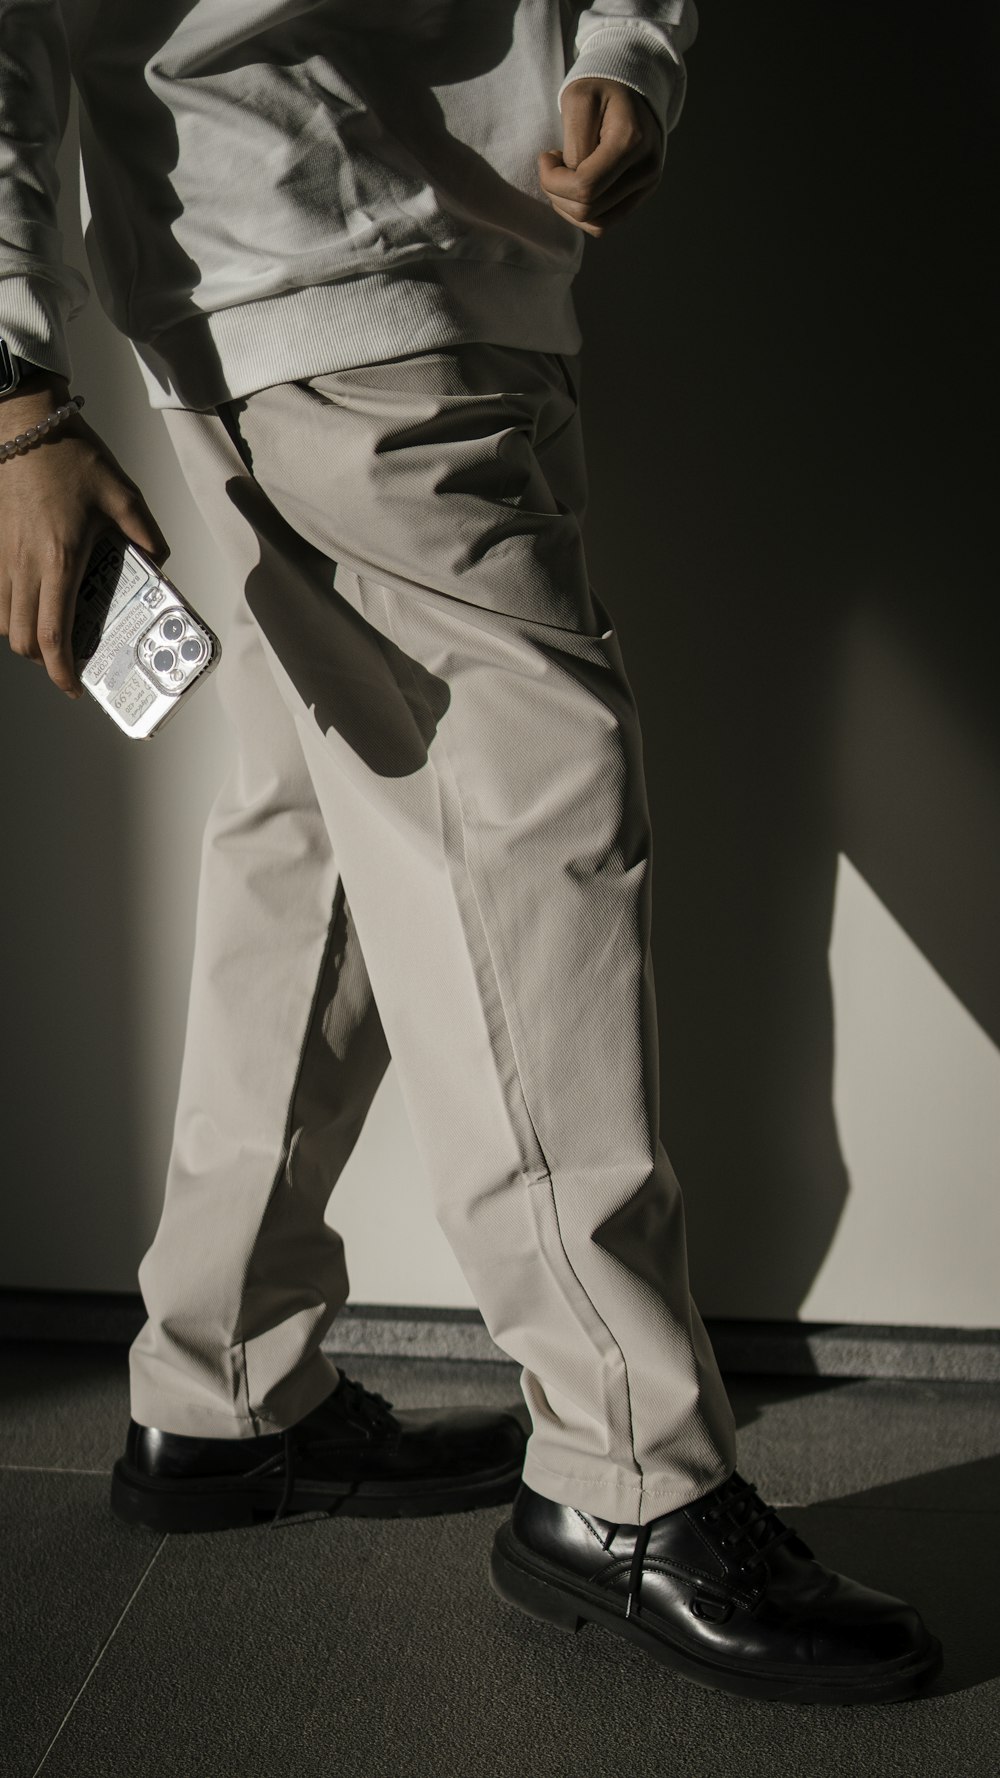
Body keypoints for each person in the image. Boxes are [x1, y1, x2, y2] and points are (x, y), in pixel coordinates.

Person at [0, 1, 941, 1705]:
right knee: (535, 813)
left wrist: (633, 46)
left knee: (322, 836)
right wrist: (8, 398)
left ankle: (219, 1380)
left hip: (443, 257)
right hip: (292, 255)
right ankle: (628, 1477)